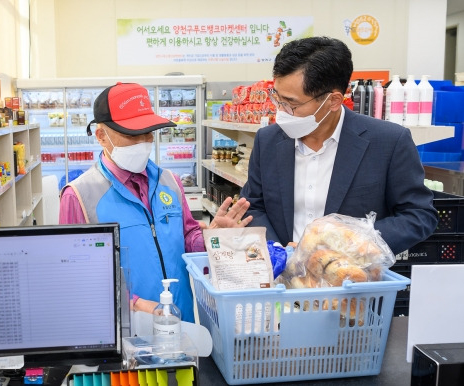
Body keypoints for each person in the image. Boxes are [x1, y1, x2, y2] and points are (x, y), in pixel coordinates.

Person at [59, 82, 252, 322]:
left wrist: (212, 238)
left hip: (181, 322)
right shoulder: (79, 195)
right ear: (101, 136)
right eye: (132, 134)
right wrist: (134, 304)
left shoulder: (169, 182)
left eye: (148, 132)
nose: (144, 141)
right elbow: (75, 277)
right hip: (126, 331)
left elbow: (188, 236)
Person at [241, 36, 438, 255]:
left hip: (353, 279)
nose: (281, 110)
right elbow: (253, 206)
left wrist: (347, 244)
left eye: (292, 103)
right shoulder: (267, 141)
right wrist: (278, 251)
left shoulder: (388, 142)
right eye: (277, 98)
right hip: (281, 278)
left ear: (333, 101)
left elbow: (418, 216)